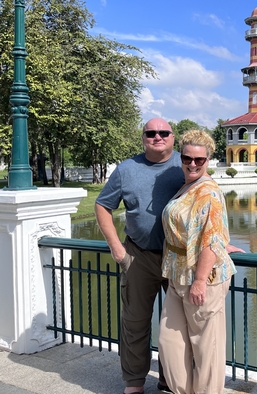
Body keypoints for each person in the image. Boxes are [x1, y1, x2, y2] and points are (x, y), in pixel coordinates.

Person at [96, 118, 182, 394]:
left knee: (177, 324)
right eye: (151, 133)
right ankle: (134, 382)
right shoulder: (127, 169)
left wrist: (219, 242)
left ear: (172, 136)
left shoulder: (188, 164)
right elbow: (102, 206)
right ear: (143, 137)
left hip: (177, 257)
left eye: (163, 132)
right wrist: (116, 248)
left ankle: (170, 379)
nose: (158, 137)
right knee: (135, 322)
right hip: (138, 254)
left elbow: (210, 201)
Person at [158, 130, 238, 394]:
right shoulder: (187, 186)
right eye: (187, 158)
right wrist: (221, 242)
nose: (192, 164)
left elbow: (211, 239)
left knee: (206, 349)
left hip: (203, 278)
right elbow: (200, 229)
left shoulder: (209, 193)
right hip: (178, 274)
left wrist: (201, 280)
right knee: (170, 343)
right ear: (181, 158)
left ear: (208, 160)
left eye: (199, 160)